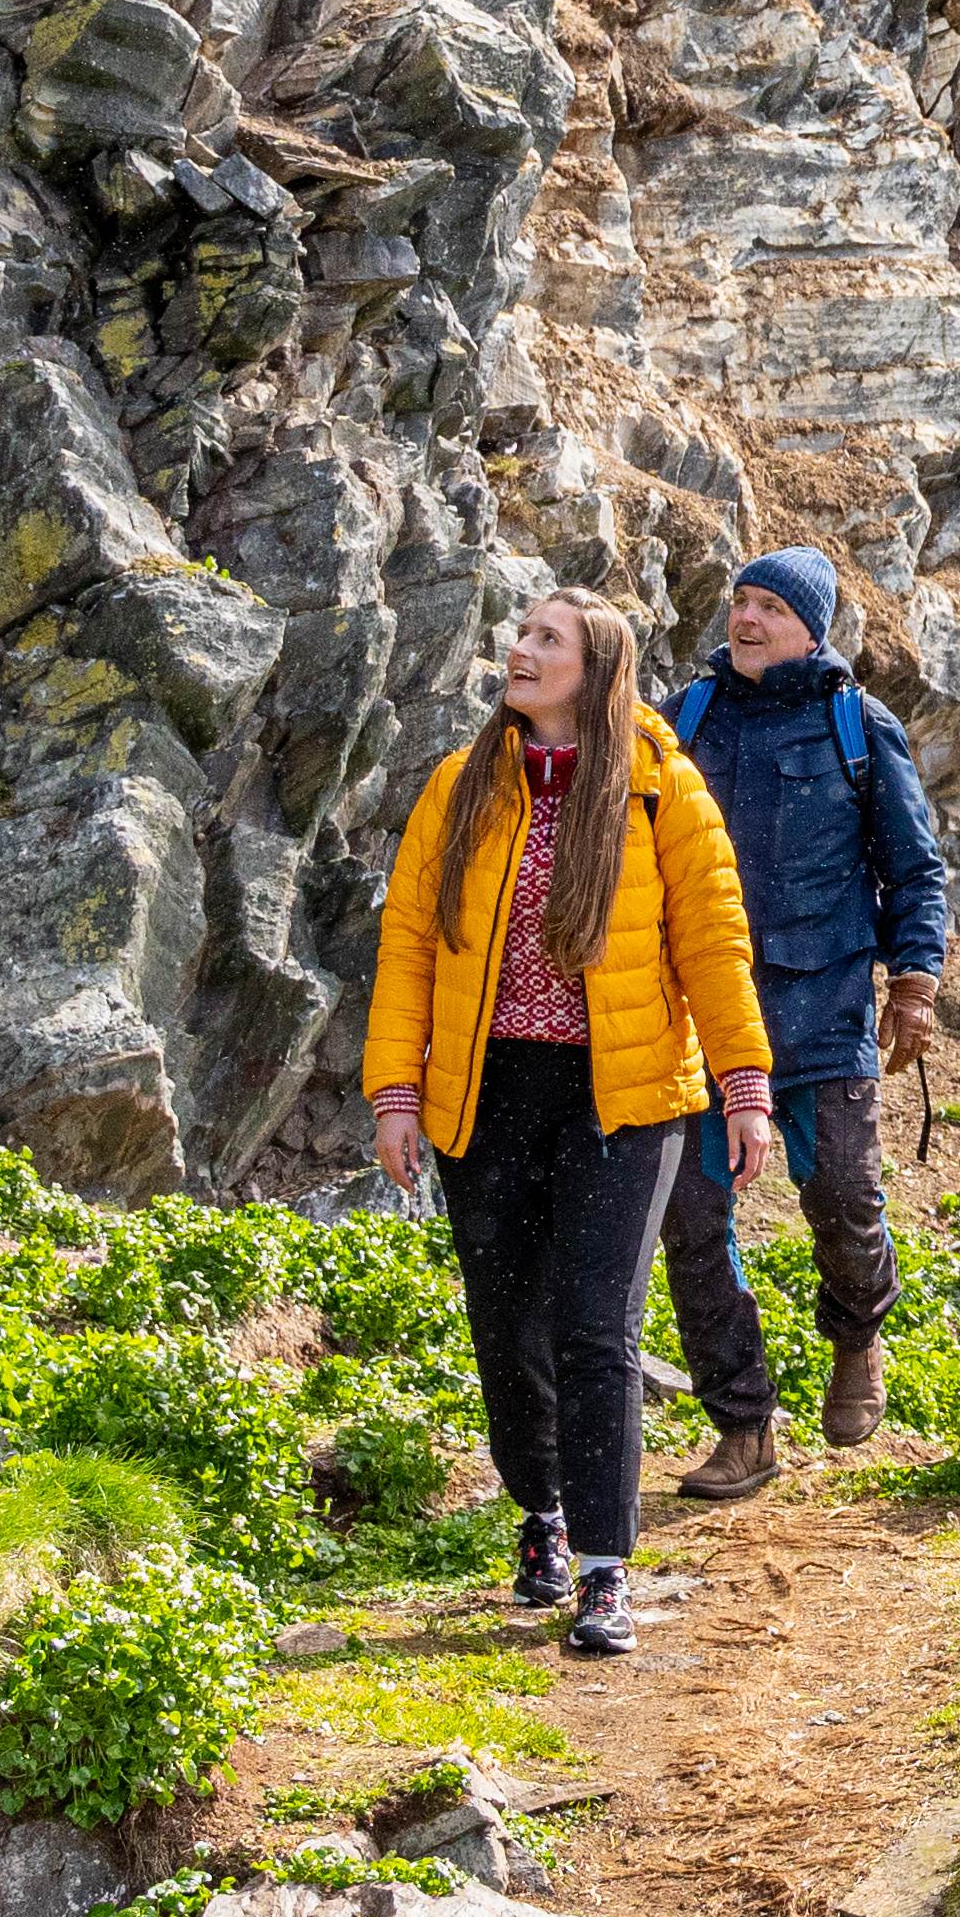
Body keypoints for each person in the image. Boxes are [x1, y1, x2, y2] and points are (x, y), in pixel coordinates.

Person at [369, 593, 763, 1655]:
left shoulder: (657, 790)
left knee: (597, 1330)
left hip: (623, 1099)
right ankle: (537, 1513)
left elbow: (714, 948)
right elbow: (409, 940)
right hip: (483, 1093)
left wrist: (744, 1083)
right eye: (520, 633)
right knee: (507, 1324)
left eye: (547, 639)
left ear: (598, 669)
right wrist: (397, 1092)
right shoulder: (460, 787)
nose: (520, 648)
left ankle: (602, 1568)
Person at [651, 545, 951, 1495]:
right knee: (692, 1224)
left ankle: (859, 1336)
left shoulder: (859, 725)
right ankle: (744, 1425)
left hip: (822, 1013)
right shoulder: (682, 719)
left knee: (846, 1204)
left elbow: (915, 868)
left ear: (811, 629)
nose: (745, 619)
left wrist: (914, 983)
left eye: (769, 607)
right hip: (699, 1017)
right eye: (739, 601)